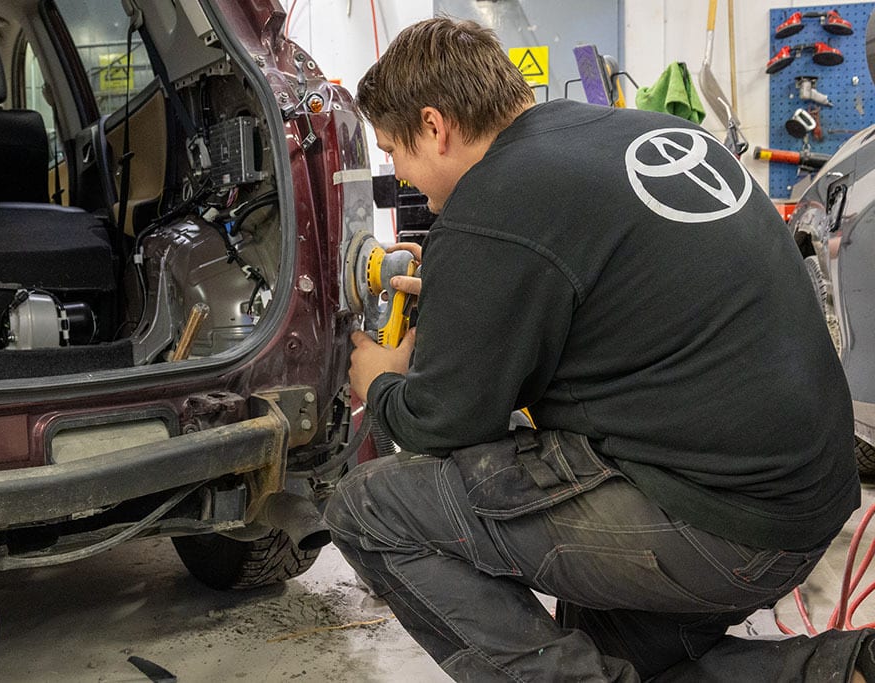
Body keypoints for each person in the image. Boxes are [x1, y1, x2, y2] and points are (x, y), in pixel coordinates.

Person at [322, 16, 875, 682]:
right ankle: (839, 667)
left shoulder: (493, 198)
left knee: (369, 507)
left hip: (719, 523)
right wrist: (463, 292)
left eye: (394, 152)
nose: (403, 176)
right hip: (805, 502)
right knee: (613, 654)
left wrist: (382, 383)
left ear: (435, 126)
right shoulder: (629, 131)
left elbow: (448, 421)